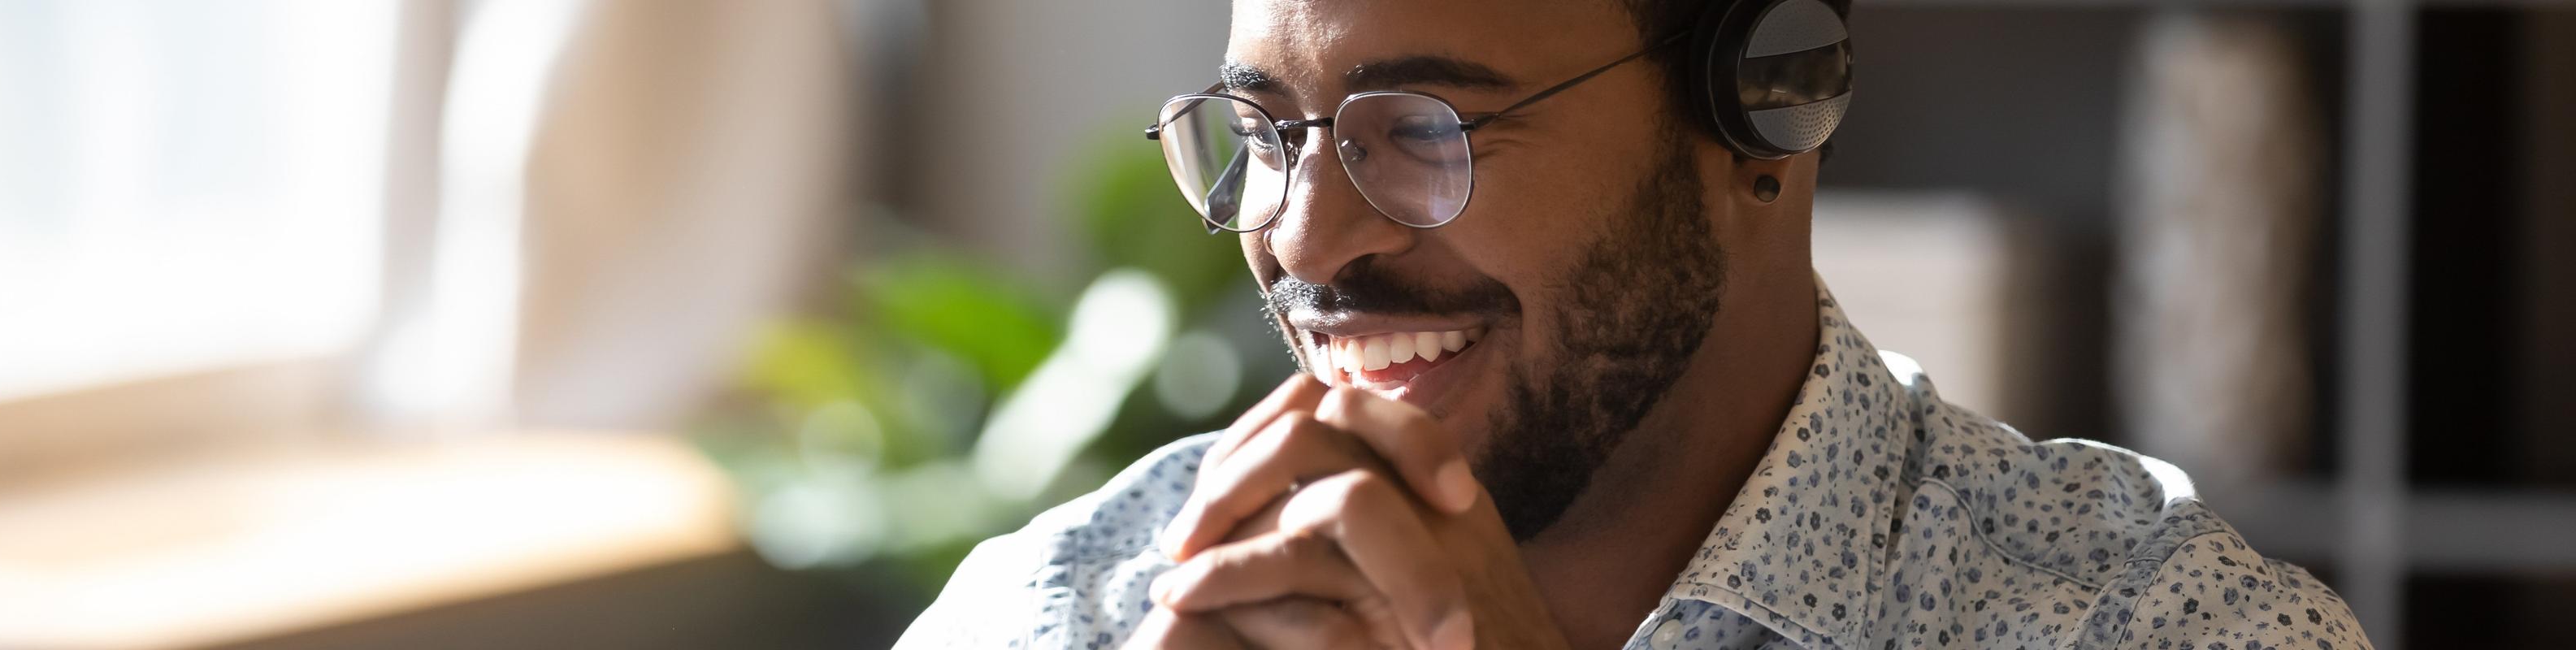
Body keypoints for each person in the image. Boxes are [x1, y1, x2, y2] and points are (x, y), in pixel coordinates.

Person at [893, 0, 2375, 648]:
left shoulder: (2157, 636)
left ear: (1768, 110)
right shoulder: (1063, 611)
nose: (1302, 233)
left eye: (1421, 126)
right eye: (1269, 131)